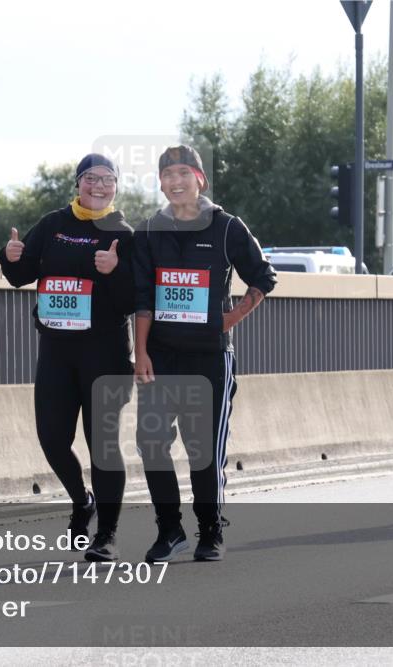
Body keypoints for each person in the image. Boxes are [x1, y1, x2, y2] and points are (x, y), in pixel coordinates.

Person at [132, 145, 276, 563]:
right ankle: (170, 529)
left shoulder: (227, 227)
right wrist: (139, 351)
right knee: (151, 443)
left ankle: (210, 530)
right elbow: (142, 297)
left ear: (200, 179)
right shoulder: (146, 233)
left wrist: (228, 321)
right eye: (167, 175)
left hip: (209, 359)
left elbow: (263, 277)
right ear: (160, 183)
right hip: (159, 358)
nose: (175, 181)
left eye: (184, 172)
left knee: (203, 449)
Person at [0, 153, 134, 562]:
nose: (98, 185)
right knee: (52, 438)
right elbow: (22, 275)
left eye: (107, 179)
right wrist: (11, 256)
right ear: (77, 184)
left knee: (103, 446)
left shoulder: (123, 233)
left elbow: (133, 299)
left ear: (116, 187)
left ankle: (106, 534)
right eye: (90, 178)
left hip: (105, 354)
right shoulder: (54, 225)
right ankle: (82, 501)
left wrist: (114, 271)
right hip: (57, 351)